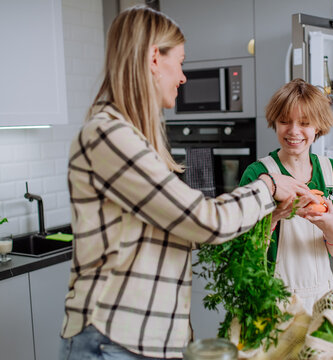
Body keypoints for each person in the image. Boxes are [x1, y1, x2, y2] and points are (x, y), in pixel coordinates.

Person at [58, 6, 317, 360]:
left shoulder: (133, 138)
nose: (182, 77)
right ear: (153, 57)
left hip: (145, 340)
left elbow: (182, 232)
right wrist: (269, 187)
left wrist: (267, 219)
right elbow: (203, 221)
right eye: (179, 62)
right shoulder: (108, 135)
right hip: (112, 339)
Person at [239, 79, 333, 315]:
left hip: (322, 297)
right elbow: (245, 252)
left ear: (318, 127)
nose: (293, 131)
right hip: (273, 298)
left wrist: (331, 225)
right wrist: (275, 216)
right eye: (284, 121)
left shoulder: (332, 173)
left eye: (304, 123)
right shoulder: (258, 174)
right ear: (275, 123)